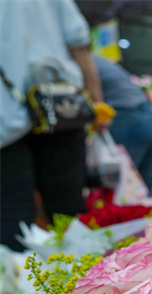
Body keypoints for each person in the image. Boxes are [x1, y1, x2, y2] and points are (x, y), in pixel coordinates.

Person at [0, 0, 106, 252]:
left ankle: (18, 285)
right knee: (67, 209)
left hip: (5, 116)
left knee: (11, 213)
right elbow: (78, 42)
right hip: (59, 103)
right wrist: (98, 103)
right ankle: (83, 282)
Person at [93, 55, 152, 193]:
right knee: (143, 196)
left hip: (125, 117)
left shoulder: (79, 62)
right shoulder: (102, 61)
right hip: (148, 116)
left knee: (122, 191)